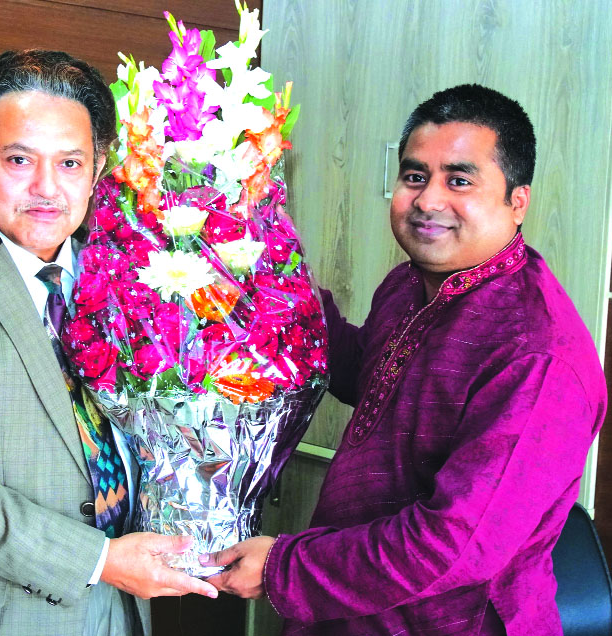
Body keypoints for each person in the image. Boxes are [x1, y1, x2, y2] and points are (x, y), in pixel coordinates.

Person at [203, 84, 607, 635]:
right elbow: (369, 377)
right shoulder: (410, 284)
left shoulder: (536, 356)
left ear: (518, 201)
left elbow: (454, 544)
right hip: (351, 609)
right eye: (415, 176)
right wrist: (272, 285)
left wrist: (282, 567)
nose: (428, 200)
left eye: (459, 180)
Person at [0, 49, 216, 636]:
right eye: (19, 160)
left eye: (71, 163)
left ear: (99, 167)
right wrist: (100, 561)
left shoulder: (129, 277)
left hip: (121, 610)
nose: (48, 189)